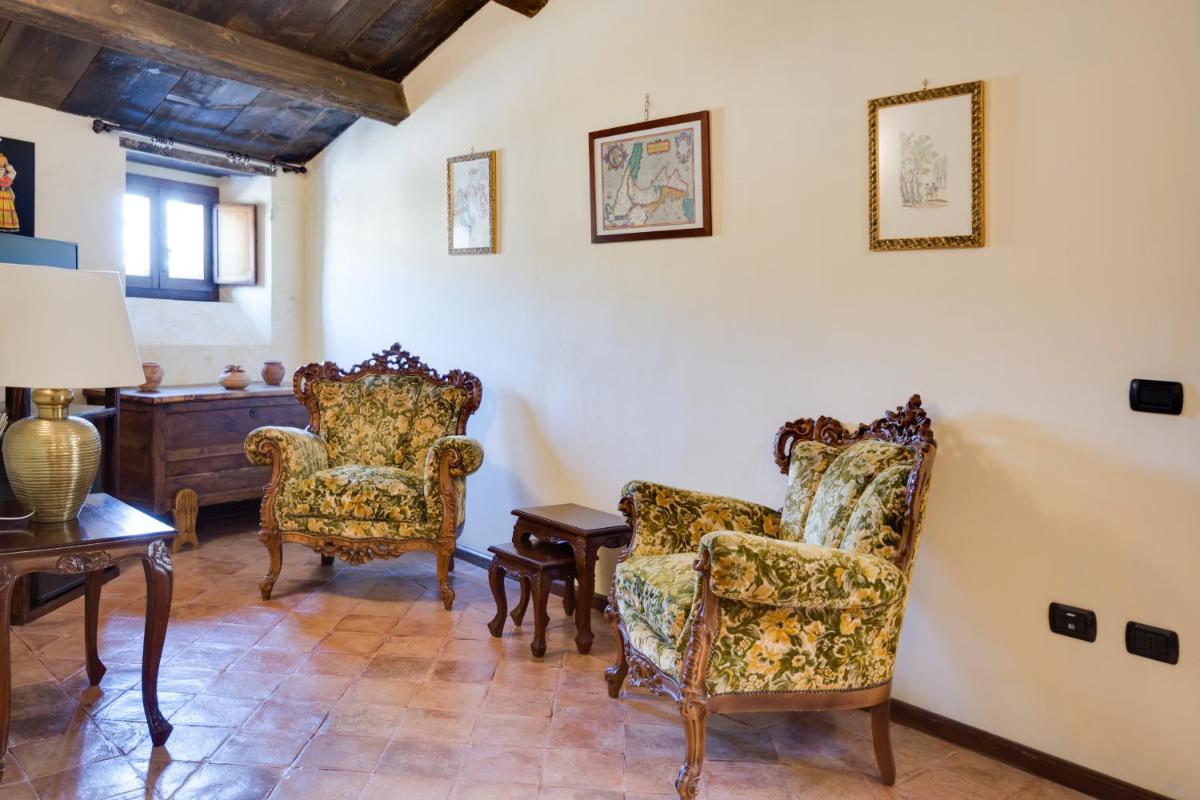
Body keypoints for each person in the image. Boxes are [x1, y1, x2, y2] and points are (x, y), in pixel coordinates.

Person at [0, 153, 19, 232]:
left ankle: (4, 224)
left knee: (6, 206)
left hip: (4, 190)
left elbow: (13, 172)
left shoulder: (6, 170)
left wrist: (7, 164)